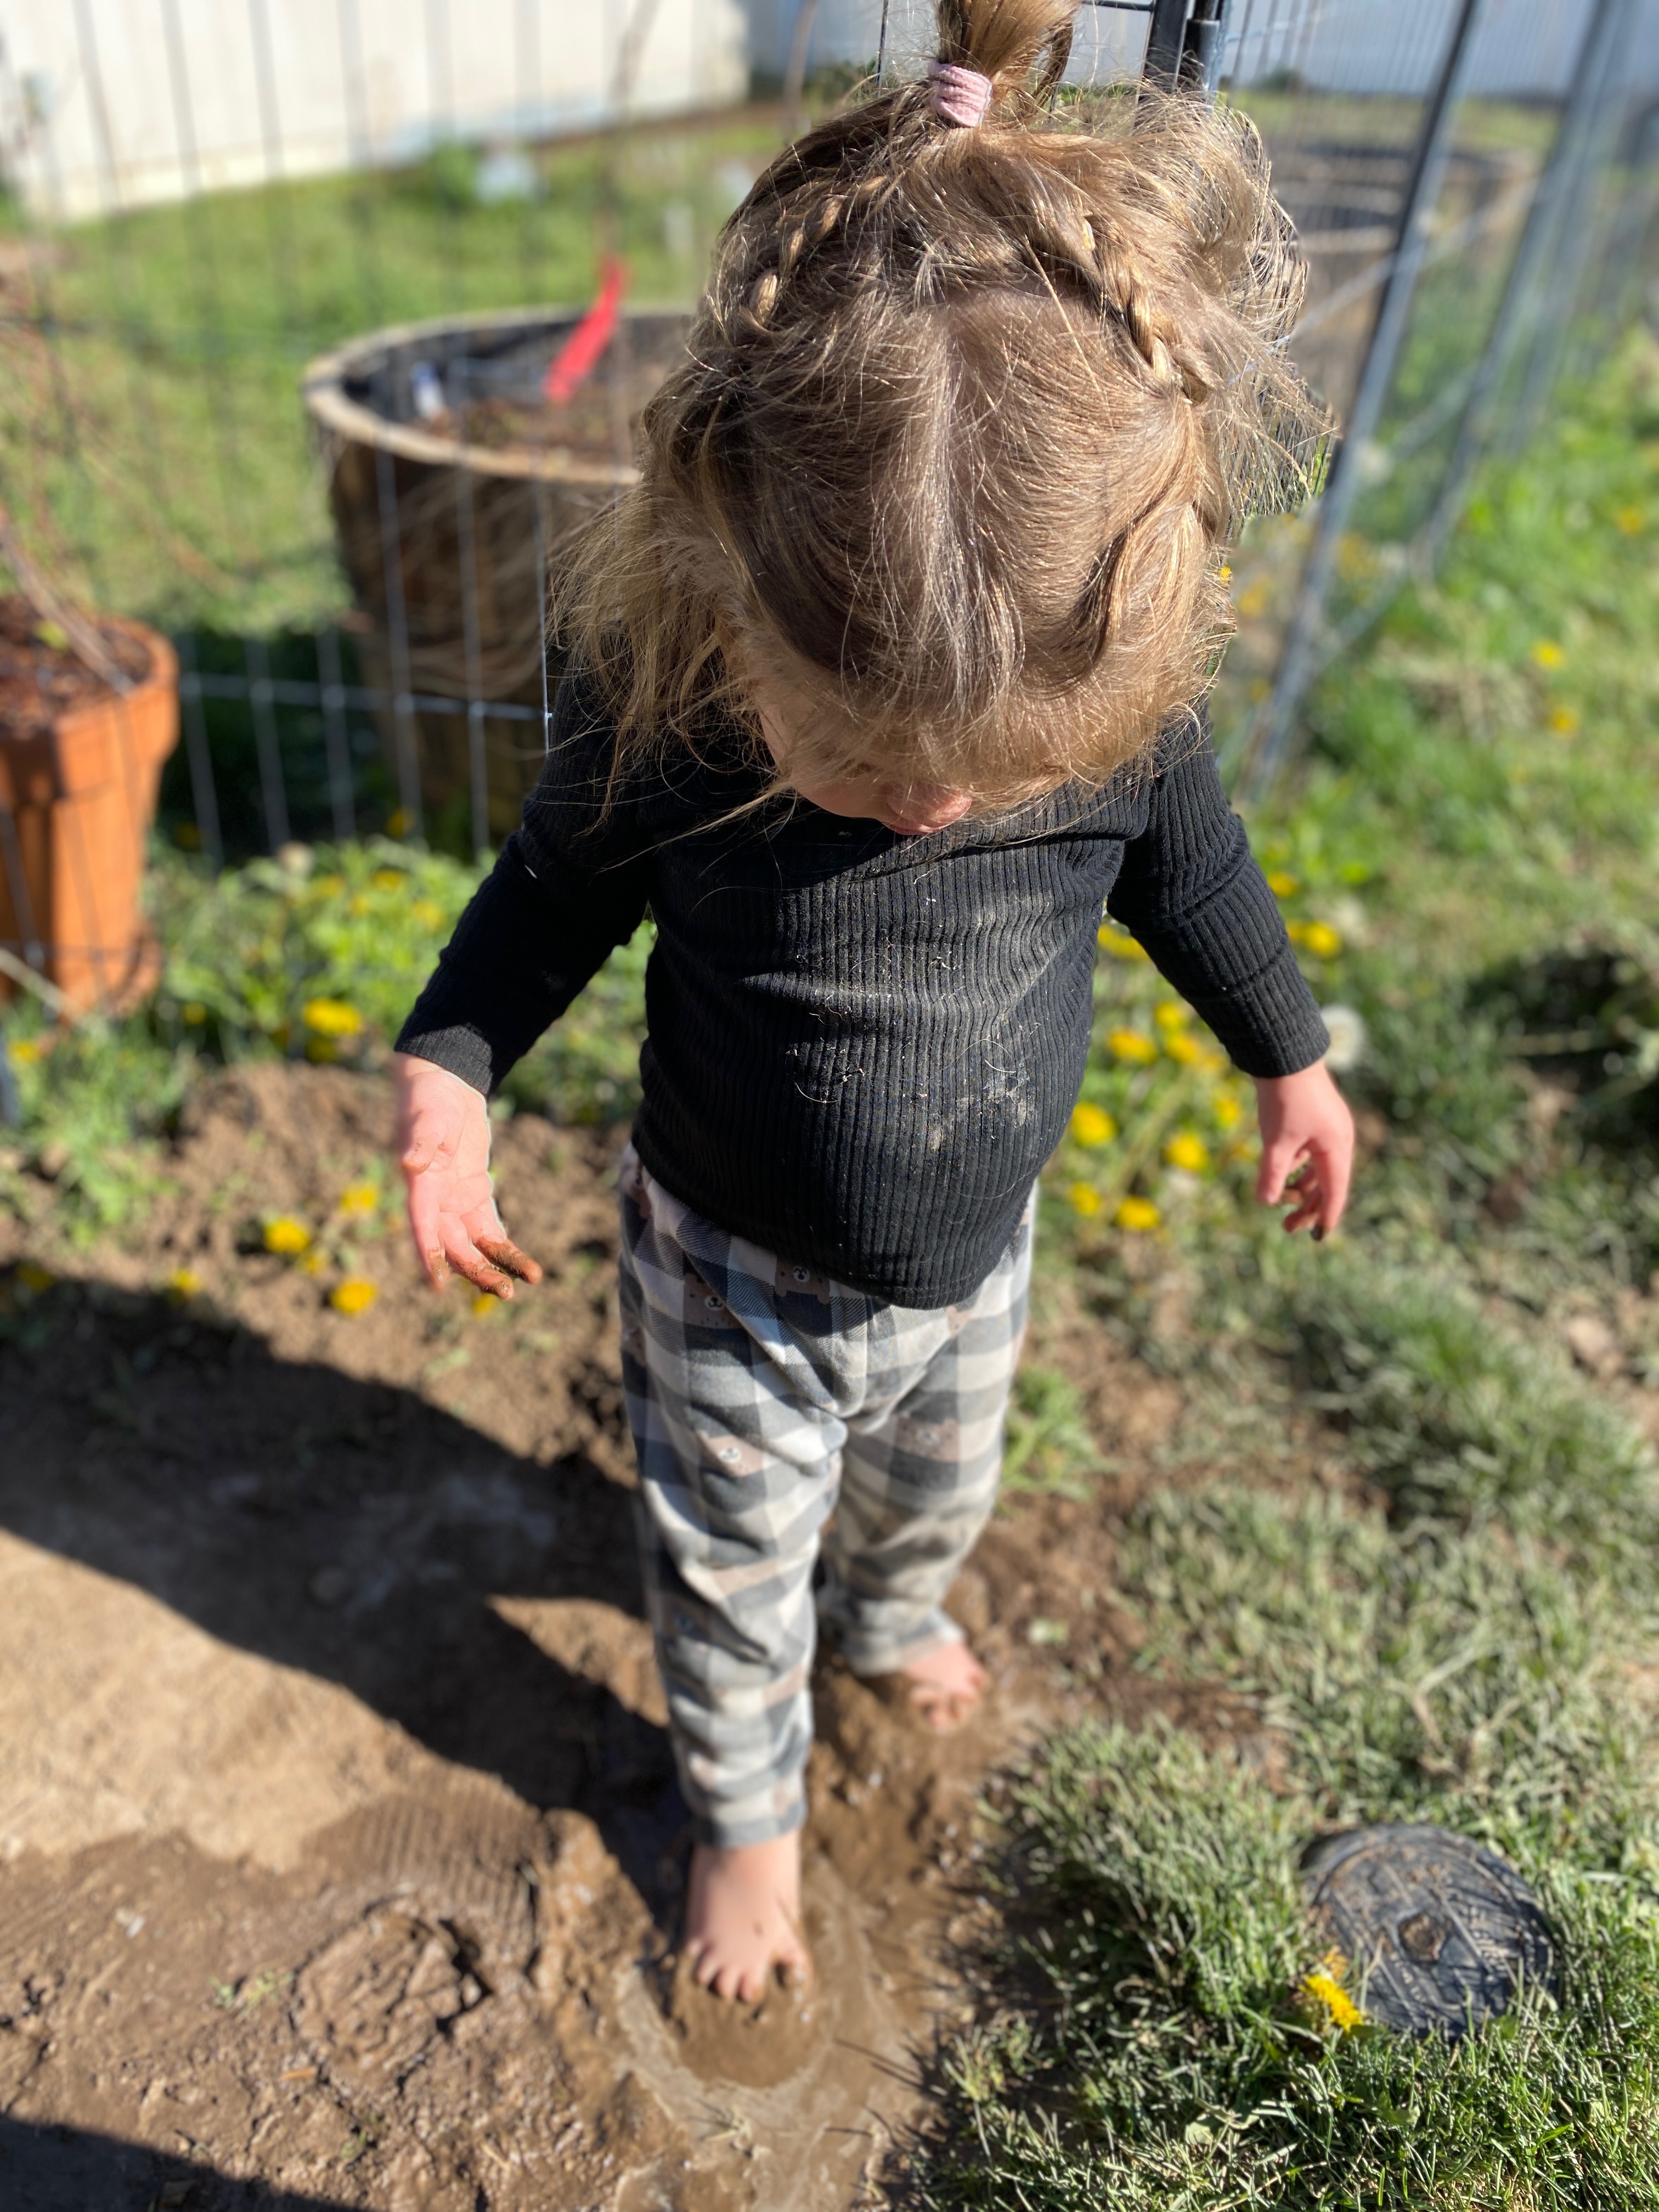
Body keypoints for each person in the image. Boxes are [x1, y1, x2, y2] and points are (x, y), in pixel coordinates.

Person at [392, 0, 1354, 2006]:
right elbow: (545, 904)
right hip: (727, 1278)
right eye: (869, 758)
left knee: (941, 1492)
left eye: (991, 773)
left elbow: (1198, 879)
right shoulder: (673, 725)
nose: (936, 801)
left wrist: (1290, 1053)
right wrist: (452, 1075)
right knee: (729, 1576)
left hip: (969, 1268)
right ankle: (741, 1818)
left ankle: (899, 1608)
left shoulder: (1094, 724)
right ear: (725, 591)